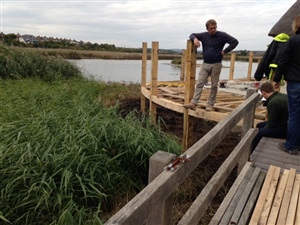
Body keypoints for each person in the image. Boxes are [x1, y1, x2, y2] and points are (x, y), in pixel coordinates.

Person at [183, 19, 239, 111]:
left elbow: (235, 42)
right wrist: (195, 39)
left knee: (214, 86)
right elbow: (192, 34)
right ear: (207, 29)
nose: (213, 30)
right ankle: (194, 103)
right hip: (205, 64)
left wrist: (225, 51)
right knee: (200, 83)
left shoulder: (222, 35)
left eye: (214, 28)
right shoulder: (204, 35)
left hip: (216, 64)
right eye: (211, 28)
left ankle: (210, 105)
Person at [273, 15, 300, 155]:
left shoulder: (293, 41)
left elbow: (282, 61)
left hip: (295, 82)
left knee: (294, 114)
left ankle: (291, 146)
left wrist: (276, 79)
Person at [251, 82, 288, 152]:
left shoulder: (272, 103)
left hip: (286, 129)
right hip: (286, 123)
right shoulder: (280, 96)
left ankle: (252, 151)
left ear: (264, 93)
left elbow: (271, 123)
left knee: (258, 132)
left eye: (262, 94)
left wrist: (264, 130)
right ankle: (256, 145)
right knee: (259, 125)